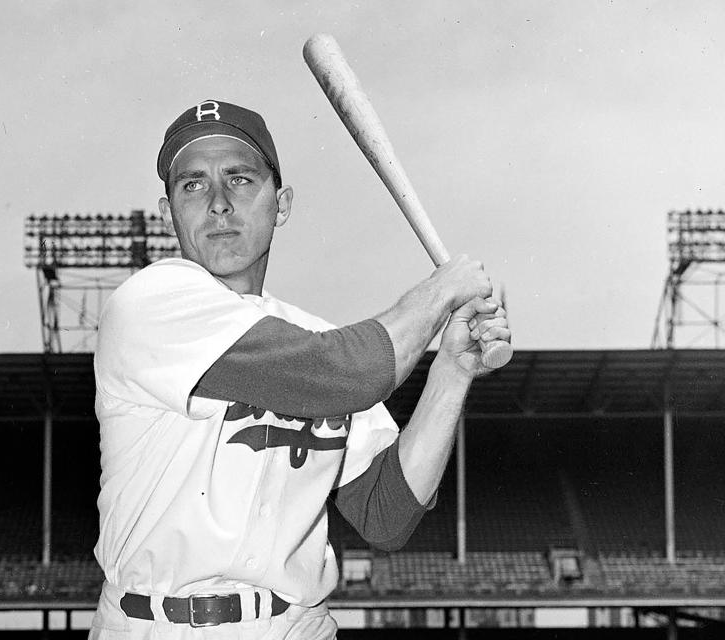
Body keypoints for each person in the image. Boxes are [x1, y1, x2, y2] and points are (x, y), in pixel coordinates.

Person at [90, 100, 510, 639]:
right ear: (168, 208)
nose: (218, 203)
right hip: (159, 626)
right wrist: (439, 292)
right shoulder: (149, 303)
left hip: (296, 626)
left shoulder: (308, 337)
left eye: (239, 179)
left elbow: (387, 512)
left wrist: (452, 369)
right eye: (192, 185)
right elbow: (345, 372)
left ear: (281, 204)